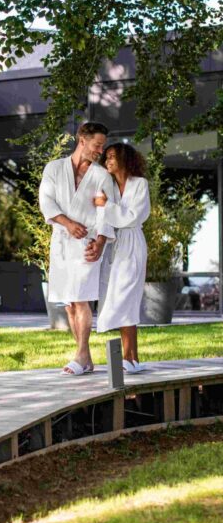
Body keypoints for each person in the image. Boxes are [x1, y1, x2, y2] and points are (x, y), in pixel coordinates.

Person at [39, 122, 115, 375]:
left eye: (102, 146)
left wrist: (101, 243)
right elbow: (46, 201)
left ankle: (81, 355)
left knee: (81, 299)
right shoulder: (54, 168)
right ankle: (86, 357)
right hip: (61, 241)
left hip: (87, 244)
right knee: (70, 302)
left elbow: (107, 212)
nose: (100, 151)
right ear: (82, 140)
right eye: (97, 145)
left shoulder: (101, 175)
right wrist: (67, 224)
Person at [94, 143, 150, 373]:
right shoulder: (108, 186)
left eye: (112, 157)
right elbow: (103, 218)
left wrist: (106, 206)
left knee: (127, 297)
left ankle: (129, 358)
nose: (107, 161)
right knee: (117, 297)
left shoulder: (139, 184)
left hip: (133, 244)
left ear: (124, 159)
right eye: (106, 158)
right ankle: (132, 359)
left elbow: (134, 217)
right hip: (114, 246)